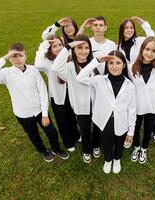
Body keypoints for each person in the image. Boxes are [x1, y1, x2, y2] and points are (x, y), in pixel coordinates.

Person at [0, 43, 69, 162]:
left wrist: (44, 114)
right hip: (22, 113)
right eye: (14, 56)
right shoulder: (6, 73)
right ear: (10, 58)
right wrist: (4, 58)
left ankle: (56, 149)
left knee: (52, 132)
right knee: (33, 135)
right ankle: (43, 151)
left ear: (25, 56)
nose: (18, 59)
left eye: (20, 55)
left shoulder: (33, 70)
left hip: (39, 110)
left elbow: (43, 91)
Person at [76, 50, 136, 174]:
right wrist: (97, 61)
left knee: (119, 141)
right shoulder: (99, 80)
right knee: (106, 142)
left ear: (124, 65)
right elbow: (80, 77)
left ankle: (117, 159)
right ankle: (108, 159)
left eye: (118, 63)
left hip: (122, 121)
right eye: (111, 63)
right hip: (103, 120)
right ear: (106, 65)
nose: (114, 66)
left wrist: (131, 130)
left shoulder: (130, 86)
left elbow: (132, 109)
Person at [51, 34, 101, 163]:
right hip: (80, 105)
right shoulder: (69, 67)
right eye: (79, 48)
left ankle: (96, 145)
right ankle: (87, 150)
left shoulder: (95, 64)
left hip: (96, 103)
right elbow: (55, 67)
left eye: (86, 47)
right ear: (74, 50)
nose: (83, 51)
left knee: (97, 126)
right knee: (84, 129)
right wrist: (67, 46)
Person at [34, 35, 80, 152]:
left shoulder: (68, 57)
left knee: (72, 116)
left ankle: (75, 135)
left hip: (71, 93)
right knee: (62, 120)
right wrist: (44, 45)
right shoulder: (47, 62)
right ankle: (68, 142)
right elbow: (37, 64)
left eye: (60, 45)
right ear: (50, 49)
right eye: (54, 46)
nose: (58, 48)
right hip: (58, 96)